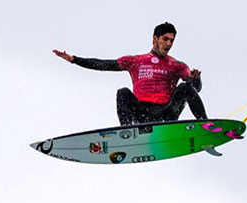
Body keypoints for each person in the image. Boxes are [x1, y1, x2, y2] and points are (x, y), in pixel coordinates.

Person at [53, 22, 207, 126]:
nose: (168, 44)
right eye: (165, 39)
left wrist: (196, 79)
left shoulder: (177, 65)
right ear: (155, 38)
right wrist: (74, 60)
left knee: (185, 87)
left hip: (167, 113)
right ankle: (127, 131)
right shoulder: (135, 61)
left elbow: (195, 89)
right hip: (141, 113)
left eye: (171, 41)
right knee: (123, 92)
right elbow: (104, 64)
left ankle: (206, 126)